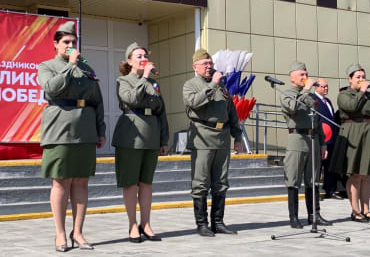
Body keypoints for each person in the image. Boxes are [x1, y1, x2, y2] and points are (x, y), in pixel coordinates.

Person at [38, 21, 106, 252]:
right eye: (65, 42)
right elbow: (52, 89)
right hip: (59, 131)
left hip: (85, 131)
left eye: (73, 42)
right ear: (55, 45)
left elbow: (97, 101)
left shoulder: (87, 70)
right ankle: (60, 234)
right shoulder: (46, 66)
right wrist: (70, 66)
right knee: (61, 182)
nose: (70, 45)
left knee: (81, 182)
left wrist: (101, 130)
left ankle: (78, 232)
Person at [112, 42, 169, 242]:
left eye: (144, 55)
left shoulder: (154, 84)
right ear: (129, 61)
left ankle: (146, 223)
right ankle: (132, 225)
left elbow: (161, 111)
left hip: (151, 136)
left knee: (146, 183)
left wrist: (164, 138)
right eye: (138, 56)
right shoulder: (123, 80)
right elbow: (133, 99)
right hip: (130, 136)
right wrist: (144, 77)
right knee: (130, 184)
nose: (143, 58)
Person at [183, 49, 242, 237]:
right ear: (195, 67)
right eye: (205, 64)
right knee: (201, 182)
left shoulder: (222, 88)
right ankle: (202, 224)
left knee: (221, 181)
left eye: (210, 63)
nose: (209, 67)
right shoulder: (190, 85)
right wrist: (213, 85)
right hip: (202, 137)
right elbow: (194, 102)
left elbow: (232, 113)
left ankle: (218, 222)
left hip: (222, 138)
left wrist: (237, 136)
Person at [330, 64, 370, 223]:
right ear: (350, 79)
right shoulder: (344, 94)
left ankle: (366, 209)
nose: (362, 80)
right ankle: (355, 211)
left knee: (366, 175)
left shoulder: (368, 95)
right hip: (355, 134)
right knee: (355, 174)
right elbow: (351, 106)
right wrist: (362, 92)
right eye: (358, 77)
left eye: (363, 76)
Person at [279, 62, 330, 229]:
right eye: (301, 74)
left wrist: (323, 144)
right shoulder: (286, 93)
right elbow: (292, 107)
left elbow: (318, 119)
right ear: (292, 77)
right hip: (297, 138)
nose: (305, 77)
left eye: (306, 73)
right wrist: (307, 90)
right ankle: (293, 217)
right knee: (293, 179)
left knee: (313, 180)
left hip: (313, 139)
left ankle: (314, 214)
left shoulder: (310, 97)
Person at [313, 78, 342, 200]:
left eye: (327, 86)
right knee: (318, 166)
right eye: (323, 86)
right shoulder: (313, 99)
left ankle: (330, 190)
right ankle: (315, 192)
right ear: (316, 87)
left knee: (330, 166)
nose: (326, 88)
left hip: (331, 138)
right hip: (321, 137)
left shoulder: (328, 101)